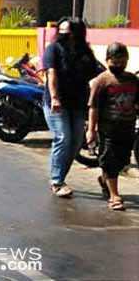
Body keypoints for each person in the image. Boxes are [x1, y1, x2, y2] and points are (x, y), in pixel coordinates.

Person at [42, 18, 102, 198]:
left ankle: (61, 177)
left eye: (68, 32)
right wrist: (54, 98)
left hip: (78, 103)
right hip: (56, 102)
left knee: (75, 143)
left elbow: (97, 73)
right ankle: (57, 181)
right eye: (61, 31)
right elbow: (51, 73)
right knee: (63, 137)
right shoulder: (53, 49)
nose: (65, 35)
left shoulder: (85, 52)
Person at [86, 42, 138, 211]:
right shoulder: (102, 81)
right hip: (108, 129)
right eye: (115, 61)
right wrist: (91, 130)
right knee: (109, 160)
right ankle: (115, 196)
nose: (118, 65)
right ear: (107, 60)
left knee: (122, 161)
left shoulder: (132, 80)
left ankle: (104, 180)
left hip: (128, 128)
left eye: (122, 61)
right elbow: (94, 106)